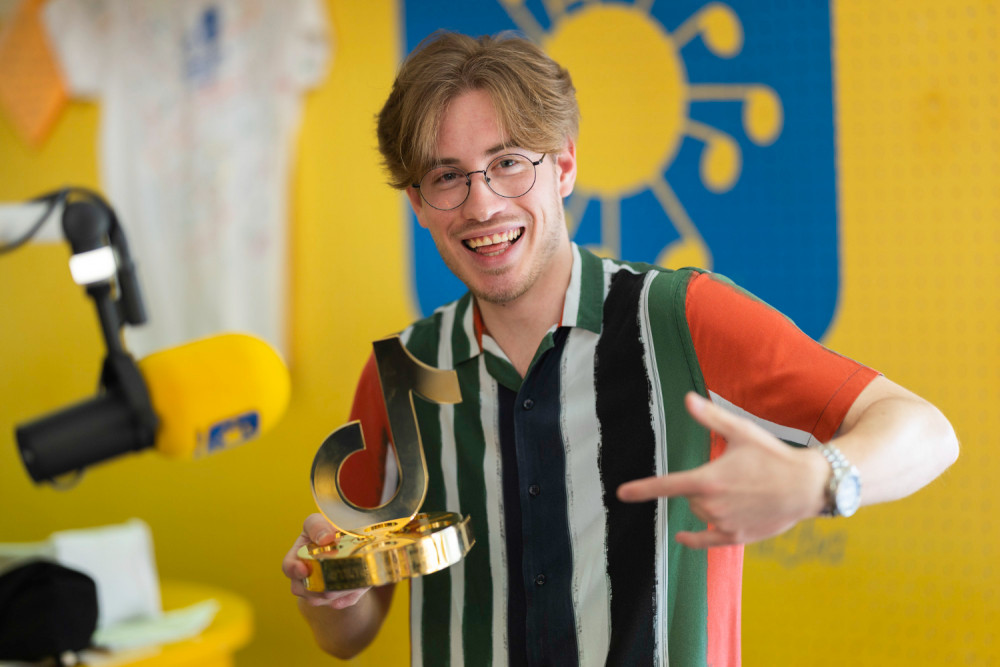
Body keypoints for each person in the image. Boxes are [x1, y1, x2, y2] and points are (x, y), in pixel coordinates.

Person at [282, 31, 958, 665]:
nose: (481, 205)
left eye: (509, 163)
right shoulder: (402, 369)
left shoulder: (682, 317)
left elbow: (927, 431)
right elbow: (351, 632)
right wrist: (327, 594)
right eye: (447, 176)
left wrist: (817, 481)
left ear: (564, 165)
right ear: (419, 202)